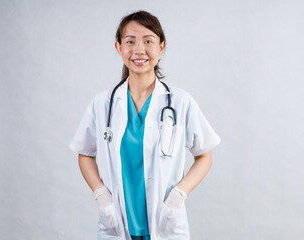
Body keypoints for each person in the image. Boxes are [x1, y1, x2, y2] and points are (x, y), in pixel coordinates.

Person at [69, 10, 221, 240]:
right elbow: (85, 153)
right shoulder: (102, 104)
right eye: (130, 41)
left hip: (165, 221)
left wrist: (179, 196)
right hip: (117, 223)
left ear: (161, 47)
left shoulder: (180, 102)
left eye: (148, 41)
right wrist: (101, 196)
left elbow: (205, 155)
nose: (139, 50)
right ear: (119, 48)